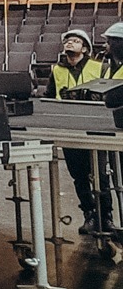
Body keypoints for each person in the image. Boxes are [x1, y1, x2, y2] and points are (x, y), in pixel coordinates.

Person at [46, 28, 111, 232]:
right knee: (79, 177)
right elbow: (49, 96)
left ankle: (105, 217)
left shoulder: (99, 67)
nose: (69, 43)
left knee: (101, 176)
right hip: (69, 129)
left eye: (75, 41)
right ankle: (89, 214)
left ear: (85, 48)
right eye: (67, 41)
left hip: (95, 129)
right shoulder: (57, 70)